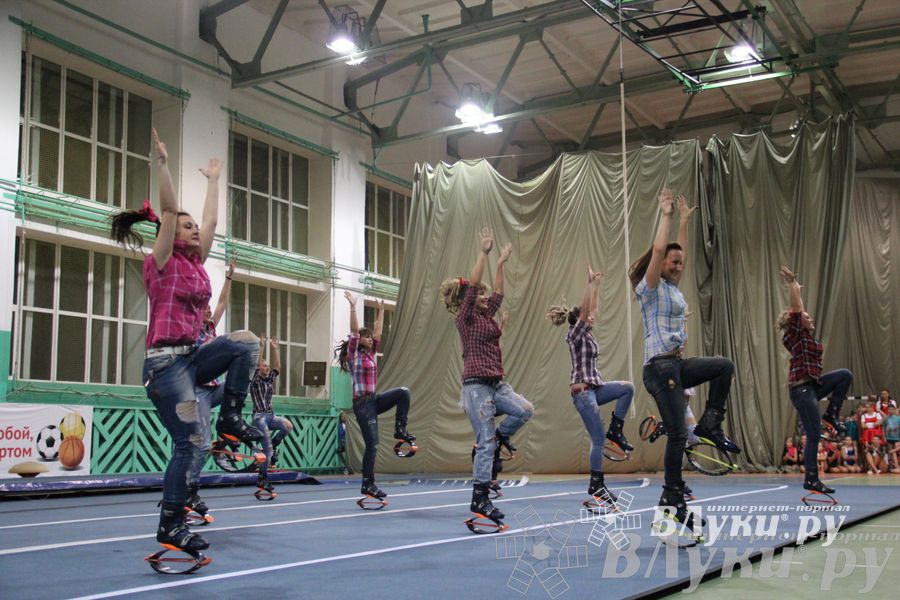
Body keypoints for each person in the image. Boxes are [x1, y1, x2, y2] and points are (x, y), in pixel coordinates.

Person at [110, 129, 261, 554]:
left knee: (247, 341)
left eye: (196, 227)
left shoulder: (197, 264)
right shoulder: (159, 262)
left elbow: (212, 221)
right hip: (165, 368)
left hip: (195, 359)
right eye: (187, 227)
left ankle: (231, 416)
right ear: (169, 234)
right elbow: (171, 207)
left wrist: (214, 181)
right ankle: (171, 524)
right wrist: (162, 163)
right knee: (191, 442)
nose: (195, 230)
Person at [628, 189, 738, 530]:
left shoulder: (674, 289)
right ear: (658, 265)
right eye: (671, 262)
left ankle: (709, 424)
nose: (678, 265)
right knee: (677, 434)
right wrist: (666, 215)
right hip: (659, 368)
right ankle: (672, 496)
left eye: (679, 263)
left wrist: (686, 223)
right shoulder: (650, 289)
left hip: (676, 364)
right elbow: (661, 249)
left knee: (724, 366)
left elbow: (679, 252)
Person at [440, 229, 534, 529]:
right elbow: (473, 288)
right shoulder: (465, 317)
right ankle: (480, 498)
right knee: (485, 442)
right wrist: (484, 253)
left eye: (482, 294)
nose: (484, 296)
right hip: (476, 388)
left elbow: (500, 294)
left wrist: (501, 264)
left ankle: (501, 439)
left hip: (497, 384)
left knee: (525, 410)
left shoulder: (486, 315)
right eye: (479, 293)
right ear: (468, 298)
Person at [546, 266, 633, 504]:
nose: (593, 317)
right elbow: (586, 311)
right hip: (583, 394)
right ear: (578, 321)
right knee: (597, 440)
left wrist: (596, 285)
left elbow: (591, 309)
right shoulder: (574, 334)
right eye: (587, 317)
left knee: (627, 388)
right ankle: (597, 485)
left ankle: (616, 429)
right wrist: (587, 284)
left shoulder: (588, 334)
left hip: (595, 390)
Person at [777, 266, 853, 495]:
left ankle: (831, 413)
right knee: (812, 433)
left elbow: (800, 311)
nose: (810, 319)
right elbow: (797, 310)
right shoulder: (794, 335)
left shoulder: (808, 337)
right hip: (800, 390)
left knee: (844, 375)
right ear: (796, 323)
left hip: (813, 386)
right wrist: (792, 284)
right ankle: (811, 478)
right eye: (806, 318)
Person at [334, 292, 415, 500]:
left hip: (374, 400)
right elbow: (353, 330)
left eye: (370, 337)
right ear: (359, 340)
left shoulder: (371, 354)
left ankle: (400, 429)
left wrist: (380, 311)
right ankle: (368, 484)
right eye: (366, 336)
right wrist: (353, 306)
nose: (370, 339)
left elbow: (379, 333)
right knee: (373, 444)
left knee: (403, 393)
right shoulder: (354, 355)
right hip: (362, 404)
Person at [186, 259, 236, 520]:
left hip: (215, 389)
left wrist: (228, 279)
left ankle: (228, 428)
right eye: (203, 309)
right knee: (201, 445)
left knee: (239, 384)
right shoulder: (192, 330)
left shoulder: (211, 327)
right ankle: (190, 490)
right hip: (199, 392)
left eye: (208, 309)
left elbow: (222, 304)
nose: (208, 312)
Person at [250, 336, 294, 494]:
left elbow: (278, 367)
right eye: (264, 366)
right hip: (259, 417)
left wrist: (275, 348)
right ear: (259, 368)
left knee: (288, 426)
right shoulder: (254, 379)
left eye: (267, 366)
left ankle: (275, 443)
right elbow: (255, 364)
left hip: (270, 415)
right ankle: (262, 478)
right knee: (266, 448)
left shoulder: (269, 380)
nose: (266, 368)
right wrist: (261, 347)